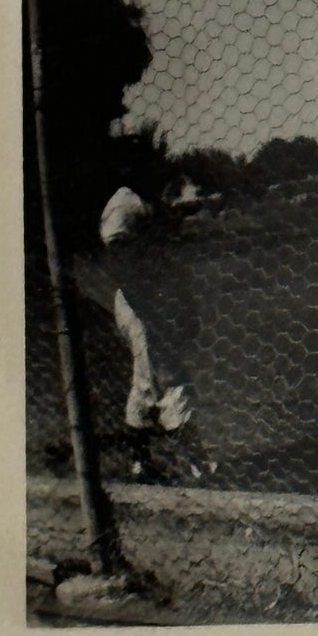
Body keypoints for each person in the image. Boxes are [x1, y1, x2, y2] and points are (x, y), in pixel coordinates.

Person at [98, 185, 211, 481]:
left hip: (152, 302)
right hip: (140, 305)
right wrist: (153, 316)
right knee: (169, 379)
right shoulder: (122, 203)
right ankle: (197, 465)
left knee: (145, 382)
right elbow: (121, 264)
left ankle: (139, 461)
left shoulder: (145, 201)